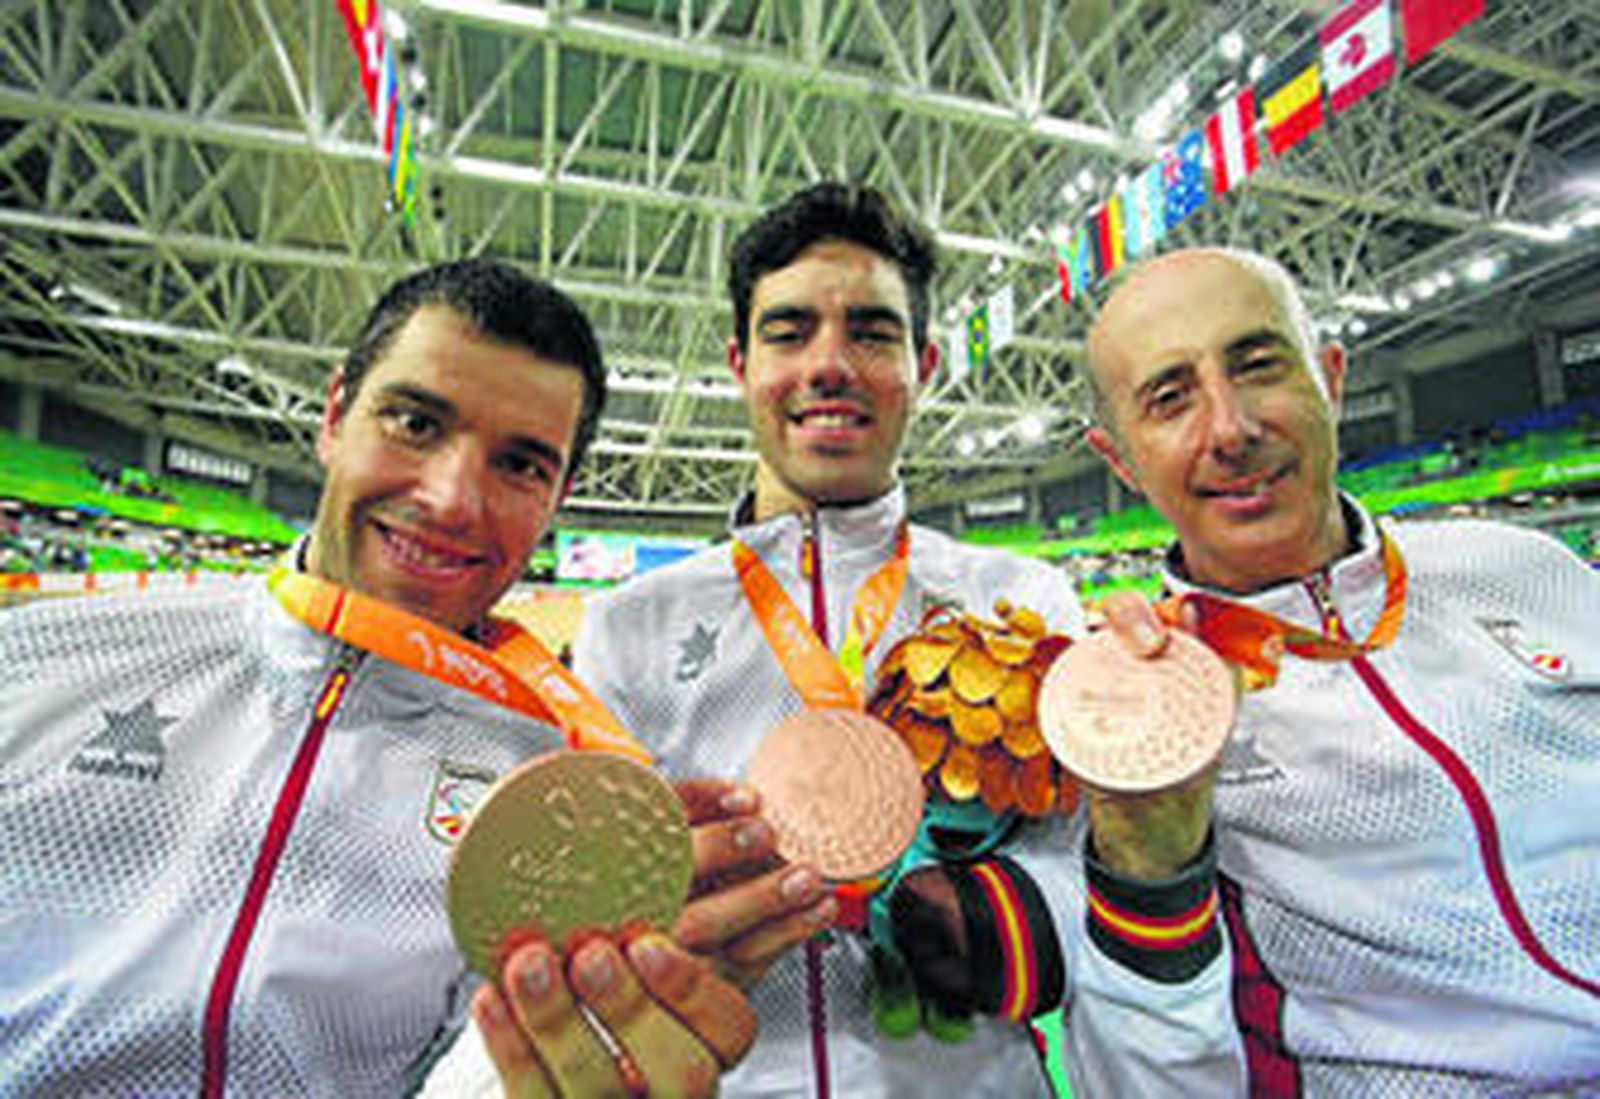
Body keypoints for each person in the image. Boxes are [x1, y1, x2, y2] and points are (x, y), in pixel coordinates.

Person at [429, 183, 1243, 1097]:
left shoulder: (1020, 596)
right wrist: (658, 923)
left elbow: (1088, 864)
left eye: (871, 332)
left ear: (924, 363)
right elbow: (573, 909)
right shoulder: (631, 622)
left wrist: (1017, 916)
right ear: (741, 362)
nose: (829, 364)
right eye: (788, 332)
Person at [0, 258, 761, 1097]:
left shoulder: (557, 795)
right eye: (414, 422)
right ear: (335, 415)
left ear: (559, 499)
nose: (450, 499)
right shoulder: (38, 654)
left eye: (520, 465)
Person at [1082, 246, 1600, 1092]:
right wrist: (1145, 866)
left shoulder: (1520, 563)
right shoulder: (1128, 705)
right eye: (1170, 399)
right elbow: (1148, 1069)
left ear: (1329, 376)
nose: (1231, 428)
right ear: (1121, 461)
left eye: (1258, 366)